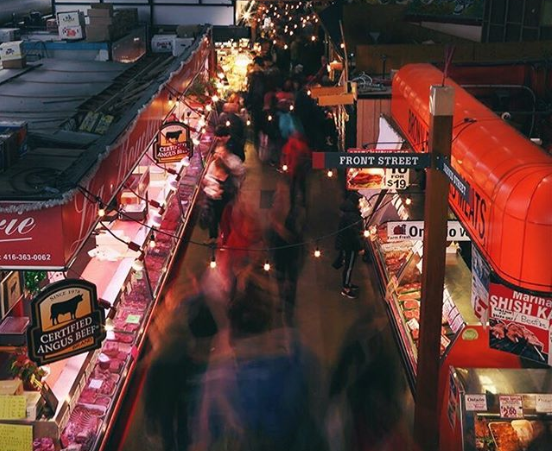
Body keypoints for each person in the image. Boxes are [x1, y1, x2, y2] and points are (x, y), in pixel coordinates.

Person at [268, 181, 305, 324]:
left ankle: (289, 314)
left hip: (291, 261)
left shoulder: (295, 217)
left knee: (290, 287)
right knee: (279, 282)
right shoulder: (274, 214)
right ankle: (280, 302)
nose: (278, 198)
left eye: (282, 195)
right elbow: (270, 238)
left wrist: (278, 228)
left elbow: (297, 241)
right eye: (277, 195)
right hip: (278, 259)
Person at [333, 192, 364, 299]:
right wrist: (360, 247)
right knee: (349, 266)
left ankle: (348, 283)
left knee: (347, 264)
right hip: (350, 246)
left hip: (346, 243)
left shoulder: (348, 212)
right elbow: (355, 234)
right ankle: (346, 288)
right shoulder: (353, 216)